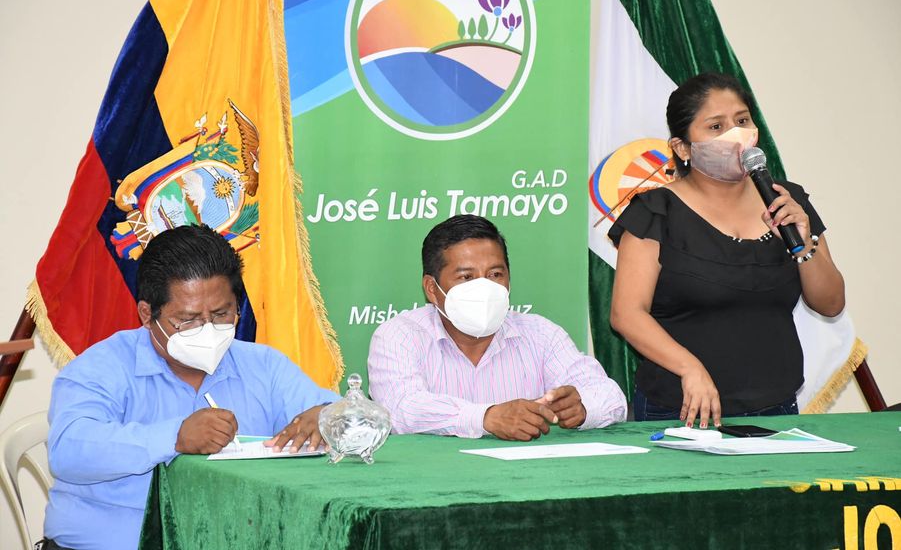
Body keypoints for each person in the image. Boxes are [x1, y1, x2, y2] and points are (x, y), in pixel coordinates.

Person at [40, 225, 339, 550]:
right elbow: (68, 450)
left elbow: (339, 415)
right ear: (146, 314)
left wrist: (329, 417)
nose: (208, 329)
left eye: (222, 313)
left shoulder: (263, 365)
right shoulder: (101, 367)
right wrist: (175, 437)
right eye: (188, 319)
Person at [609, 72, 845, 429]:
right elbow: (627, 314)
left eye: (742, 120)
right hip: (683, 407)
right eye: (716, 126)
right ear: (683, 148)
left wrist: (804, 246)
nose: (736, 134)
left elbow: (831, 304)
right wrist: (690, 368)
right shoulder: (656, 211)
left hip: (776, 406)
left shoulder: (788, 201)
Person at [368, 215, 626, 441]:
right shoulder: (399, 336)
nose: (484, 287)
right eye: (466, 277)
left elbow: (611, 397)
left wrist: (582, 408)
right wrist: (486, 417)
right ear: (432, 289)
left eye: (495, 275)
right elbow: (400, 409)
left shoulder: (541, 334)